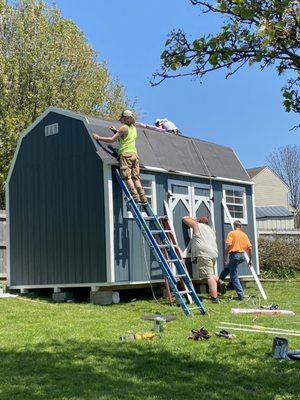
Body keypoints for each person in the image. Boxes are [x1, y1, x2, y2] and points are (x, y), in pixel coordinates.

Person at [92, 110, 147, 204]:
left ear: (126, 118)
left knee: (127, 177)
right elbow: (124, 138)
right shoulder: (133, 128)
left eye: (122, 118)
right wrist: (115, 131)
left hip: (126, 155)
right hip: (134, 155)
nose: (121, 119)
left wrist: (99, 138)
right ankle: (143, 198)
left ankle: (135, 197)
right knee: (136, 178)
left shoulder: (123, 128)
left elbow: (112, 140)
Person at [182, 215, 220, 303]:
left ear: (199, 222)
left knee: (208, 276)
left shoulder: (197, 225)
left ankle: (214, 298)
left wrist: (191, 218)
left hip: (204, 254)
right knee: (210, 274)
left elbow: (184, 219)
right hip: (213, 253)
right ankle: (220, 280)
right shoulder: (211, 230)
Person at [219, 220, 252, 300]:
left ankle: (241, 295)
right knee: (229, 267)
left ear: (234, 226)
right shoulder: (244, 235)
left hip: (234, 255)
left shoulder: (232, 233)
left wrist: (225, 256)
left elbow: (229, 246)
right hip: (242, 257)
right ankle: (221, 280)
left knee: (233, 276)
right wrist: (250, 260)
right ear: (241, 226)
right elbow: (250, 248)